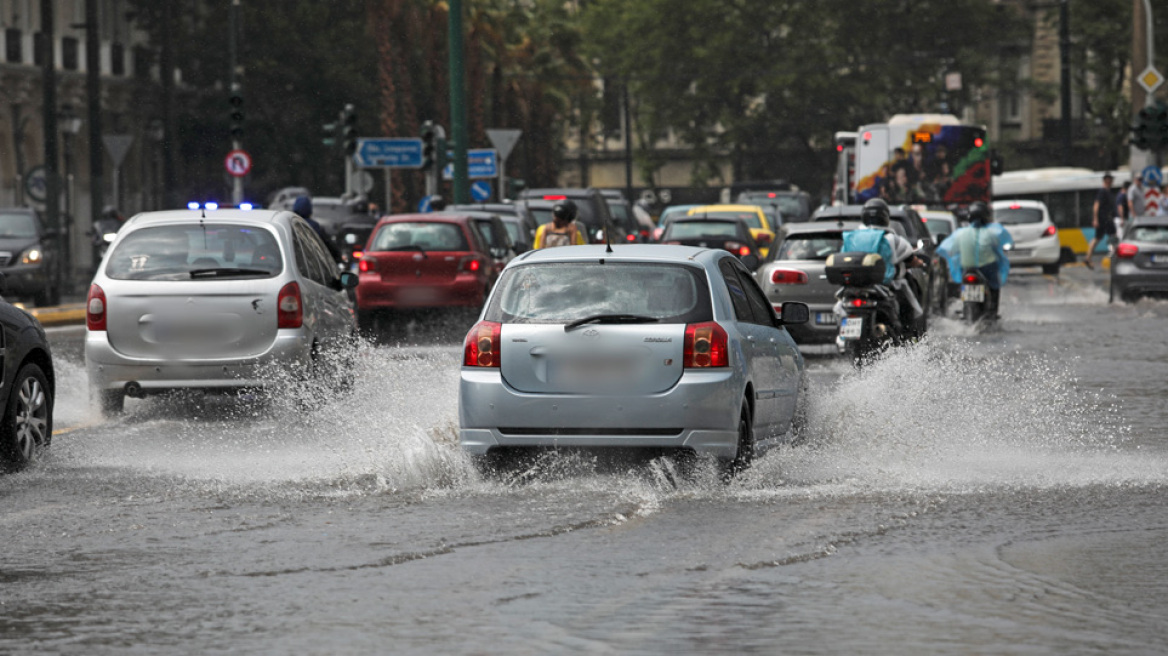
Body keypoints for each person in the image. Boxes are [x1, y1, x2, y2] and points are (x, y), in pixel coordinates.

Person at [842, 198, 926, 324]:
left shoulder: (851, 237)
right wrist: (921, 263)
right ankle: (909, 333)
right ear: (885, 217)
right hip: (885, 285)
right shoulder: (891, 238)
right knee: (908, 297)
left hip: (854, 285)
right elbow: (910, 258)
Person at [937, 201, 1012, 318]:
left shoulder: (960, 233)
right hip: (987, 268)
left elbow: (952, 249)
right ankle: (993, 311)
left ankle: (964, 307)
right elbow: (998, 249)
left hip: (967, 268)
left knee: (963, 285)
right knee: (994, 286)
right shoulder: (991, 233)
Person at [291, 195, 345, 264]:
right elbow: (329, 247)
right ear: (310, 210)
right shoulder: (314, 227)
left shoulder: (289, 226)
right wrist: (338, 259)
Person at [1084, 173, 1117, 270]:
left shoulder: (1108, 192)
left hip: (1105, 218)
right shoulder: (1102, 191)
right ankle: (1112, 256)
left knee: (1099, 238)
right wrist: (1095, 219)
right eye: (1110, 180)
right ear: (1107, 181)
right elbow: (1096, 205)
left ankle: (1088, 257)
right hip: (1104, 219)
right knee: (1113, 237)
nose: (1111, 182)